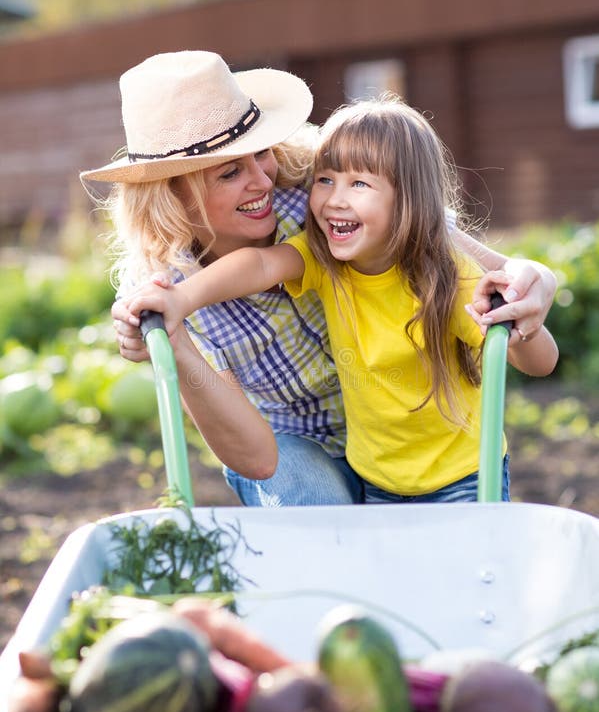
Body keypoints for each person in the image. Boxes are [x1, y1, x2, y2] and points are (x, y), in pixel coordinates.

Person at [81, 49, 557, 507]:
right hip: (311, 448)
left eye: (261, 154)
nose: (263, 181)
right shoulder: (168, 286)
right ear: (172, 196)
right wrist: (176, 324)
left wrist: (531, 278)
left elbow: (452, 245)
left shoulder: (320, 194)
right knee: (321, 509)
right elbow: (260, 457)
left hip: (427, 456)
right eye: (230, 173)